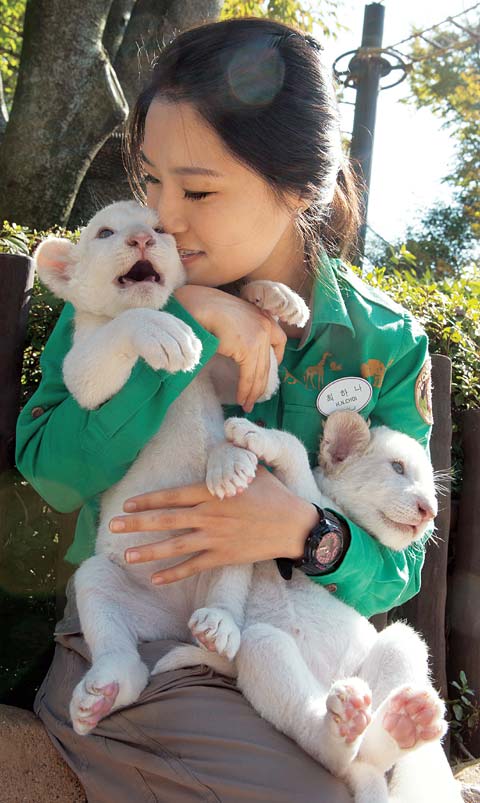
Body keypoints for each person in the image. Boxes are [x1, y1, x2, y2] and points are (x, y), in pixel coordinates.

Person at [16, 17, 434, 803]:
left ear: (300, 186)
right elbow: (55, 473)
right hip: (144, 632)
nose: (163, 217)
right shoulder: (122, 284)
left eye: (197, 189)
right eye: (148, 179)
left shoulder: (384, 341)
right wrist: (193, 326)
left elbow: (398, 568)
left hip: (305, 646)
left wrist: (303, 532)